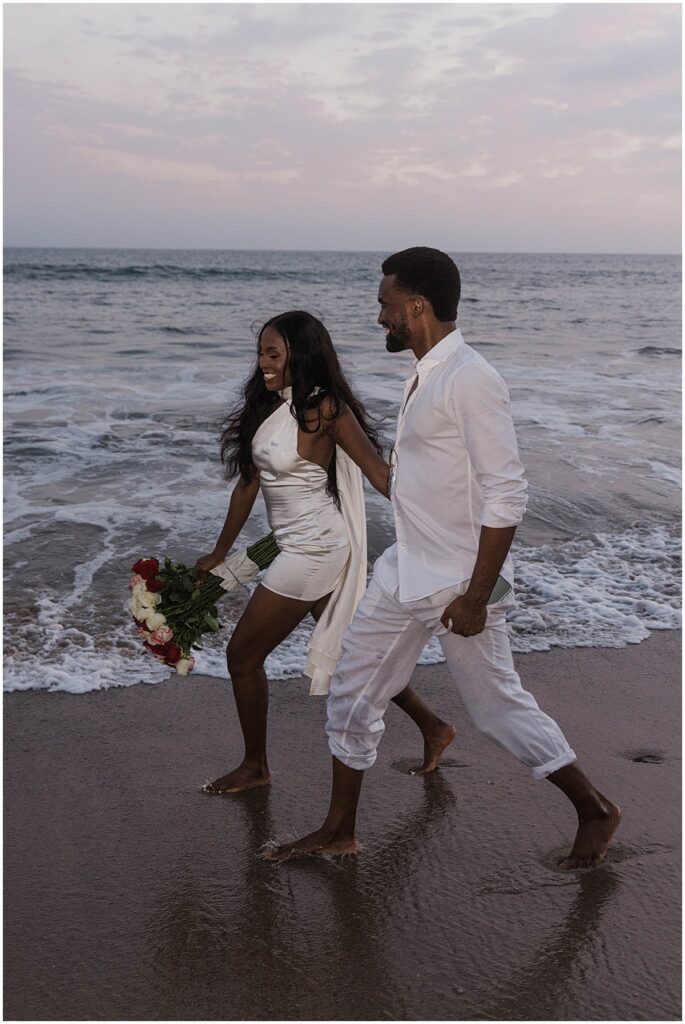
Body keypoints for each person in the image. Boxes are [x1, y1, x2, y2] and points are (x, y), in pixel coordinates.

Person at [265, 250, 621, 868]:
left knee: (496, 709)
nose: (380, 317)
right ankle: (340, 829)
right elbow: (406, 483)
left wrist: (478, 595)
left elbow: (508, 491)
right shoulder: (426, 374)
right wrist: (345, 430)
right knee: (352, 689)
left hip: (458, 580)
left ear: (416, 307)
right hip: (406, 569)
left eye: (385, 305)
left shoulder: (470, 379)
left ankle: (594, 808)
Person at [197, 310, 455, 794]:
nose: (263, 363)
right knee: (354, 651)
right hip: (289, 544)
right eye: (260, 353)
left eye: (273, 354)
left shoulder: (327, 411)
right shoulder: (269, 406)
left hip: (316, 549)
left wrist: (447, 505)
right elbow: (248, 486)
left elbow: (382, 478)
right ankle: (434, 727)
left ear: (301, 354)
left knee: (242, 657)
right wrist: (218, 553)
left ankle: (256, 767)